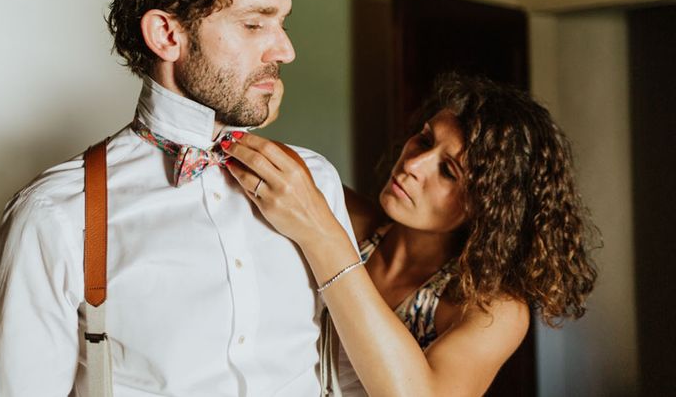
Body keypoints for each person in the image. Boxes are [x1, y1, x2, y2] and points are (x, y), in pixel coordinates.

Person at [0, 0, 356, 396]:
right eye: (253, 24)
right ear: (167, 35)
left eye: (281, 22)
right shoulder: (57, 216)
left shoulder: (315, 182)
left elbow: (350, 383)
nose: (285, 50)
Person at [225, 73, 598, 397]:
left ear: (488, 208)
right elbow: (259, 178)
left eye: (448, 171)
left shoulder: (489, 307)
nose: (413, 165)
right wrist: (250, 114)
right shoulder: (352, 222)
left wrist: (324, 239)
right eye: (423, 140)